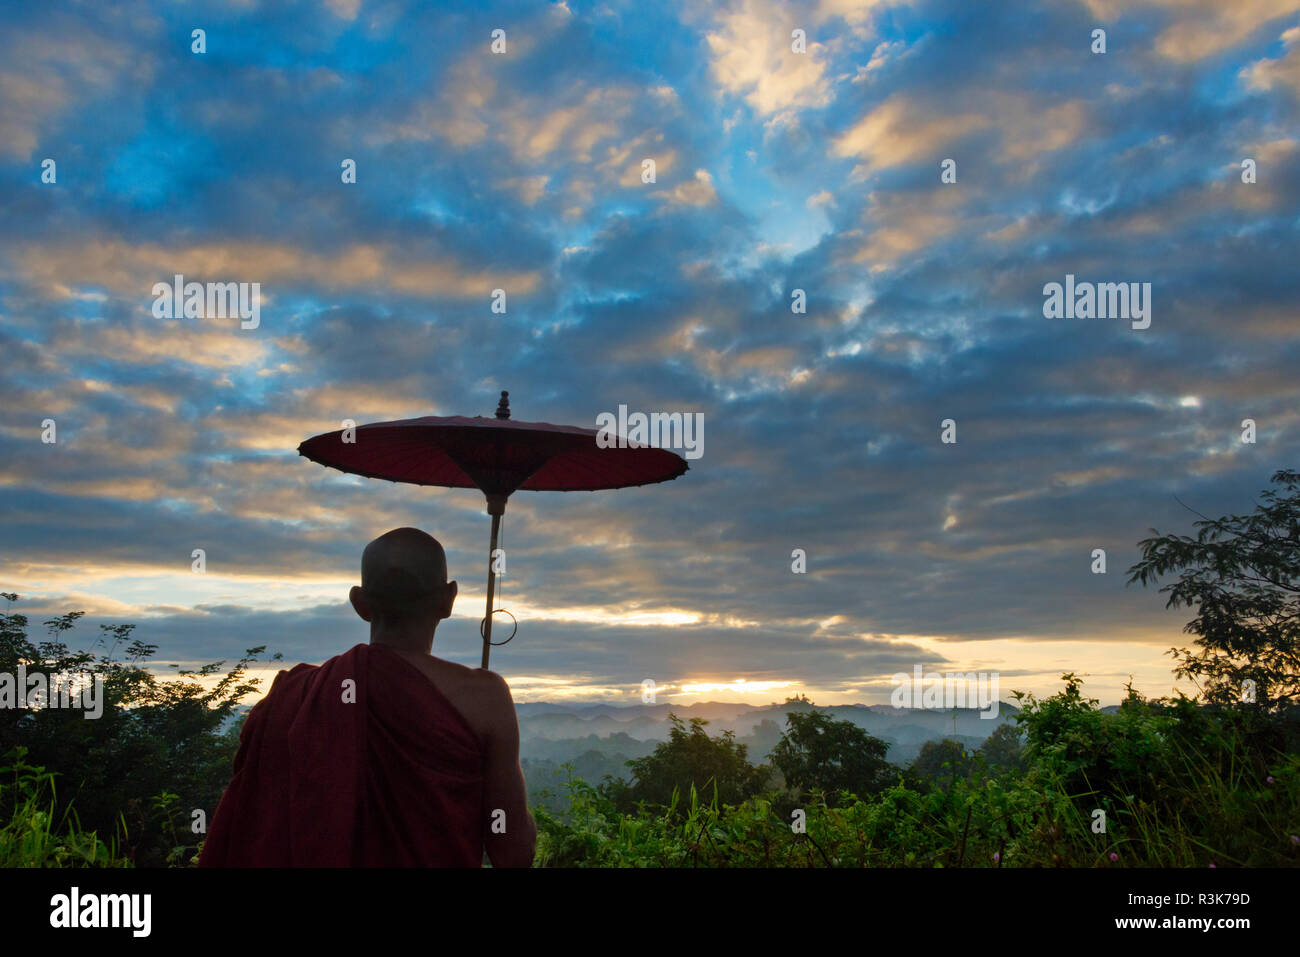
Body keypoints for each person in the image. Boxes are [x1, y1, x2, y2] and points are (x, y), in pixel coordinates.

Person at [199, 527, 535, 867]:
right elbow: (514, 852)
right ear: (449, 599)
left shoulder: (295, 698)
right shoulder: (485, 698)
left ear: (359, 603)